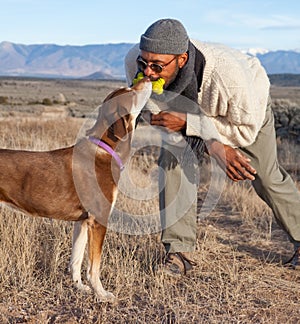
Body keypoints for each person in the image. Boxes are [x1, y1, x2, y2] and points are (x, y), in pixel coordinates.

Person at [125, 18, 300, 276]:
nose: (148, 72)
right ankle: (179, 252)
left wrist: (199, 130)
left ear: (181, 59)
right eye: (144, 63)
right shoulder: (134, 62)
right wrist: (189, 127)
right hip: (185, 114)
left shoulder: (229, 78)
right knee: (172, 162)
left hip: (242, 114)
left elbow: (244, 130)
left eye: (157, 66)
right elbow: (152, 111)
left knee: (264, 175)